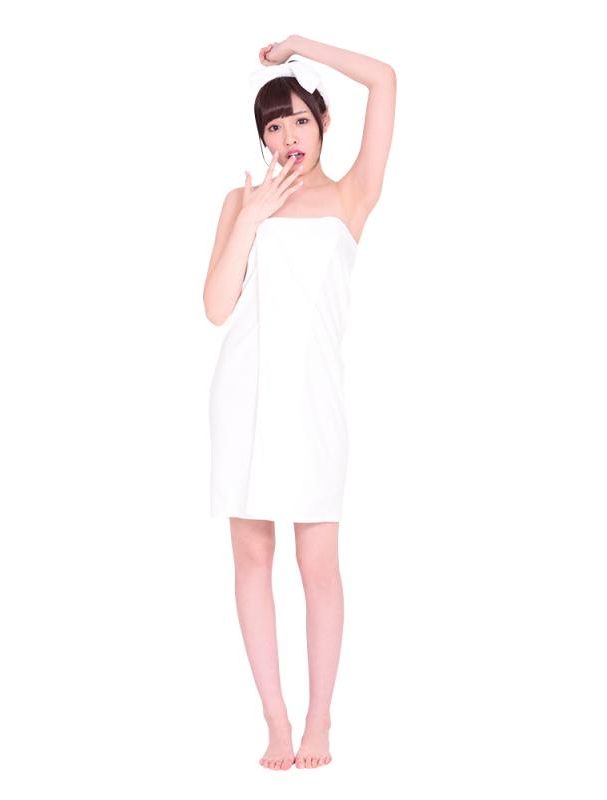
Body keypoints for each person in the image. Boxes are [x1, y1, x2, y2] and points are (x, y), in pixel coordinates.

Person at [203, 35, 396, 770]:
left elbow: (385, 79)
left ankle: (320, 721)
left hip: (314, 401)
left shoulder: (351, 195)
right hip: (243, 395)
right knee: (252, 556)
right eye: (274, 125)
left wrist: (299, 46)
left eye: (300, 120)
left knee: (319, 563)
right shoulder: (241, 200)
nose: (288, 136)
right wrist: (252, 215)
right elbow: (216, 307)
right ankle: (276, 723)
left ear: (323, 123)